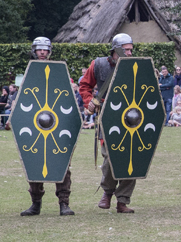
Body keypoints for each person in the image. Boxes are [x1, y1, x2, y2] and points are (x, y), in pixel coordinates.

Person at [80, 33, 137, 213]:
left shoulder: (135, 66)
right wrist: (89, 100)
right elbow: (85, 85)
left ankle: (123, 200)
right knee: (109, 158)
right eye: (126, 50)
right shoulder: (98, 64)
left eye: (131, 50)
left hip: (131, 118)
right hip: (107, 117)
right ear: (116, 49)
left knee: (130, 159)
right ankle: (107, 192)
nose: (129, 53)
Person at [20, 37, 75, 217]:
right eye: (39, 49)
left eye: (45, 49)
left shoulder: (59, 70)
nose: (42, 52)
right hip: (35, 124)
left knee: (62, 163)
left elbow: (67, 96)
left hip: (56, 124)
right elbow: (23, 99)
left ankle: (64, 203)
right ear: (34, 51)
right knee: (34, 162)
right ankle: (35, 203)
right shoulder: (29, 72)